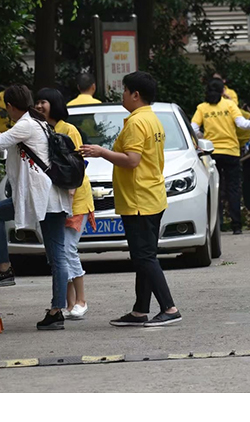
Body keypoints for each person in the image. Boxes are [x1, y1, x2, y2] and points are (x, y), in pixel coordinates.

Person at [0, 85, 72, 330]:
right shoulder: (36, 122)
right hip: (51, 196)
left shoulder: (27, 125)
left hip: (41, 197)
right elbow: (2, 141)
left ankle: (3, 267)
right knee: (57, 256)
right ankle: (56, 310)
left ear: (11, 107)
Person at [80, 71, 181, 327]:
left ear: (135, 95)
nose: (123, 95)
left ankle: (169, 307)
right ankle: (140, 310)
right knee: (143, 256)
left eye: (125, 91)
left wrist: (101, 152)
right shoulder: (152, 119)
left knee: (144, 257)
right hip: (151, 196)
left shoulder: (137, 123)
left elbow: (133, 161)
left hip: (139, 200)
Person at [35, 87, 94, 320]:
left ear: (55, 104)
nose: (39, 106)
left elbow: (75, 166)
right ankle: (69, 304)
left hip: (74, 199)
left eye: (44, 102)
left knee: (68, 250)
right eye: (37, 102)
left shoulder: (68, 130)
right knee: (58, 253)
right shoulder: (43, 129)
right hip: (55, 200)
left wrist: (68, 199)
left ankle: (81, 300)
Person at [191, 78, 250, 235]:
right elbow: (242, 124)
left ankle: (217, 225)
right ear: (222, 92)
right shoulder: (229, 105)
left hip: (211, 153)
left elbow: (193, 127)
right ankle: (236, 225)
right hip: (231, 153)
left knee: (215, 189)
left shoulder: (202, 108)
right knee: (233, 188)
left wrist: (202, 136)